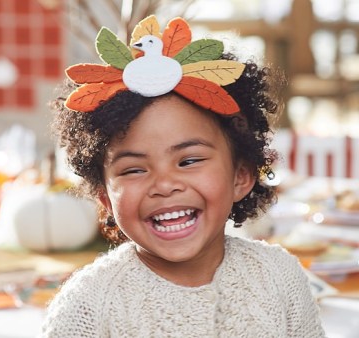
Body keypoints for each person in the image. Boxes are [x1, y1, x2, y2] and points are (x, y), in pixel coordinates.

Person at [41, 15, 325, 337]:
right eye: (134, 169)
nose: (164, 185)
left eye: (189, 161)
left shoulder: (280, 276)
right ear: (105, 197)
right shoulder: (87, 307)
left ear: (241, 176)